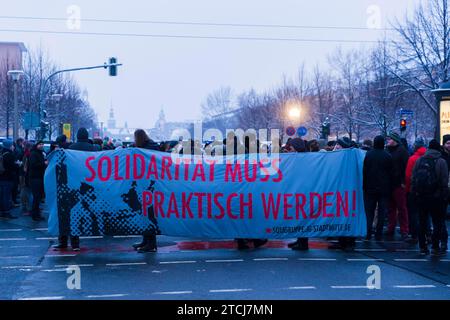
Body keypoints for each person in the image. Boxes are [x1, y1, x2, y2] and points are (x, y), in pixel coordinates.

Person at [53, 128, 99, 252]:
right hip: (90, 185)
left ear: (77, 136)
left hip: (72, 185)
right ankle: (80, 241)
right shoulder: (94, 149)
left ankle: (65, 241)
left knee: (68, 213)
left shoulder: (70, 148)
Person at [411, 139, 448, 256]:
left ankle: (422, 247)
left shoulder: (420, 160)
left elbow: (413, 178)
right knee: (437, 222)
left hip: (421, 196)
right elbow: (444, 181)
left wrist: (415, 193)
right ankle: (435, 246)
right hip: (436, 197)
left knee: (422, 222)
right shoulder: (441, 161)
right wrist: (444, 195)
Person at [132, 129, 160, 253]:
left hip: (150, 187)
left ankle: (151, 243)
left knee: (149, 214)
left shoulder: (148, 149)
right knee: (145, 214)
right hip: (145, 185)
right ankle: (146, 240)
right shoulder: (148, 147)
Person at [363, 136, 393, 241]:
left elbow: (365, 171)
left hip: (370, 187)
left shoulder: (369, 154)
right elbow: (391, 173)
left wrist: (365, 185)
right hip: (384, 189)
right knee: (381, 212)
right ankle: (378, 234)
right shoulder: (388, 156)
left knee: (369, 212)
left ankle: (368, 233)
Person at [284, 138, 309, 251]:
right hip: (299, 190)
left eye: (291, 147)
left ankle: (303, 243)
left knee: (303, 217)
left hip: (303, 191)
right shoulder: (300, 157)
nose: (290, 149)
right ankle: (300, 240)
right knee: (299, 217)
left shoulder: (302, 158)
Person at [385, 132, 410, 240]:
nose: (388, 141)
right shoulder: (388, 150)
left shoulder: (402, 151)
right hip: (390, 183)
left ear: (394, 140)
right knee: (391, 208)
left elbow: (406, 167)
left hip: (399, 184)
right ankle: (391, 228)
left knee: (401, 208)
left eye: (389, 139)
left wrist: (403, 182)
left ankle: (404, 230)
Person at [404, 137, 427, 244]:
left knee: (413, 214)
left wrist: (408, 190)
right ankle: (428, 234)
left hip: (413, 191)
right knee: (426, 214)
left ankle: (414, 235)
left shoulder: (412, 158)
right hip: (428, 190)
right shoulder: (429, 157)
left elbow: (408, 176)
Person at [0, 140, 18, 219]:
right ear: (9, 146)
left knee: (2, 195)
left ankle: (2, 212)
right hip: (8, 177)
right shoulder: (10, 155)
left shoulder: (2, 153)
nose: (13, 147)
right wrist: (18, 165)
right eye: (12, 145)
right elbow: (12, 167)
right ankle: (7, 212)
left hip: (1, 177)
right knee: (7, 196)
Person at [28, 141, 46, 222]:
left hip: (39, 177)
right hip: (35, 178)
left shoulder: (41, 153)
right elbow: (33, 165)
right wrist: (44, 163)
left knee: (38, 197)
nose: (41, 145)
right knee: (36, 197)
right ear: (36, 145)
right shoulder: (34, 153)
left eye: (42, 144)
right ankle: (34, 215)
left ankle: (37, 214)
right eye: (40, 144)